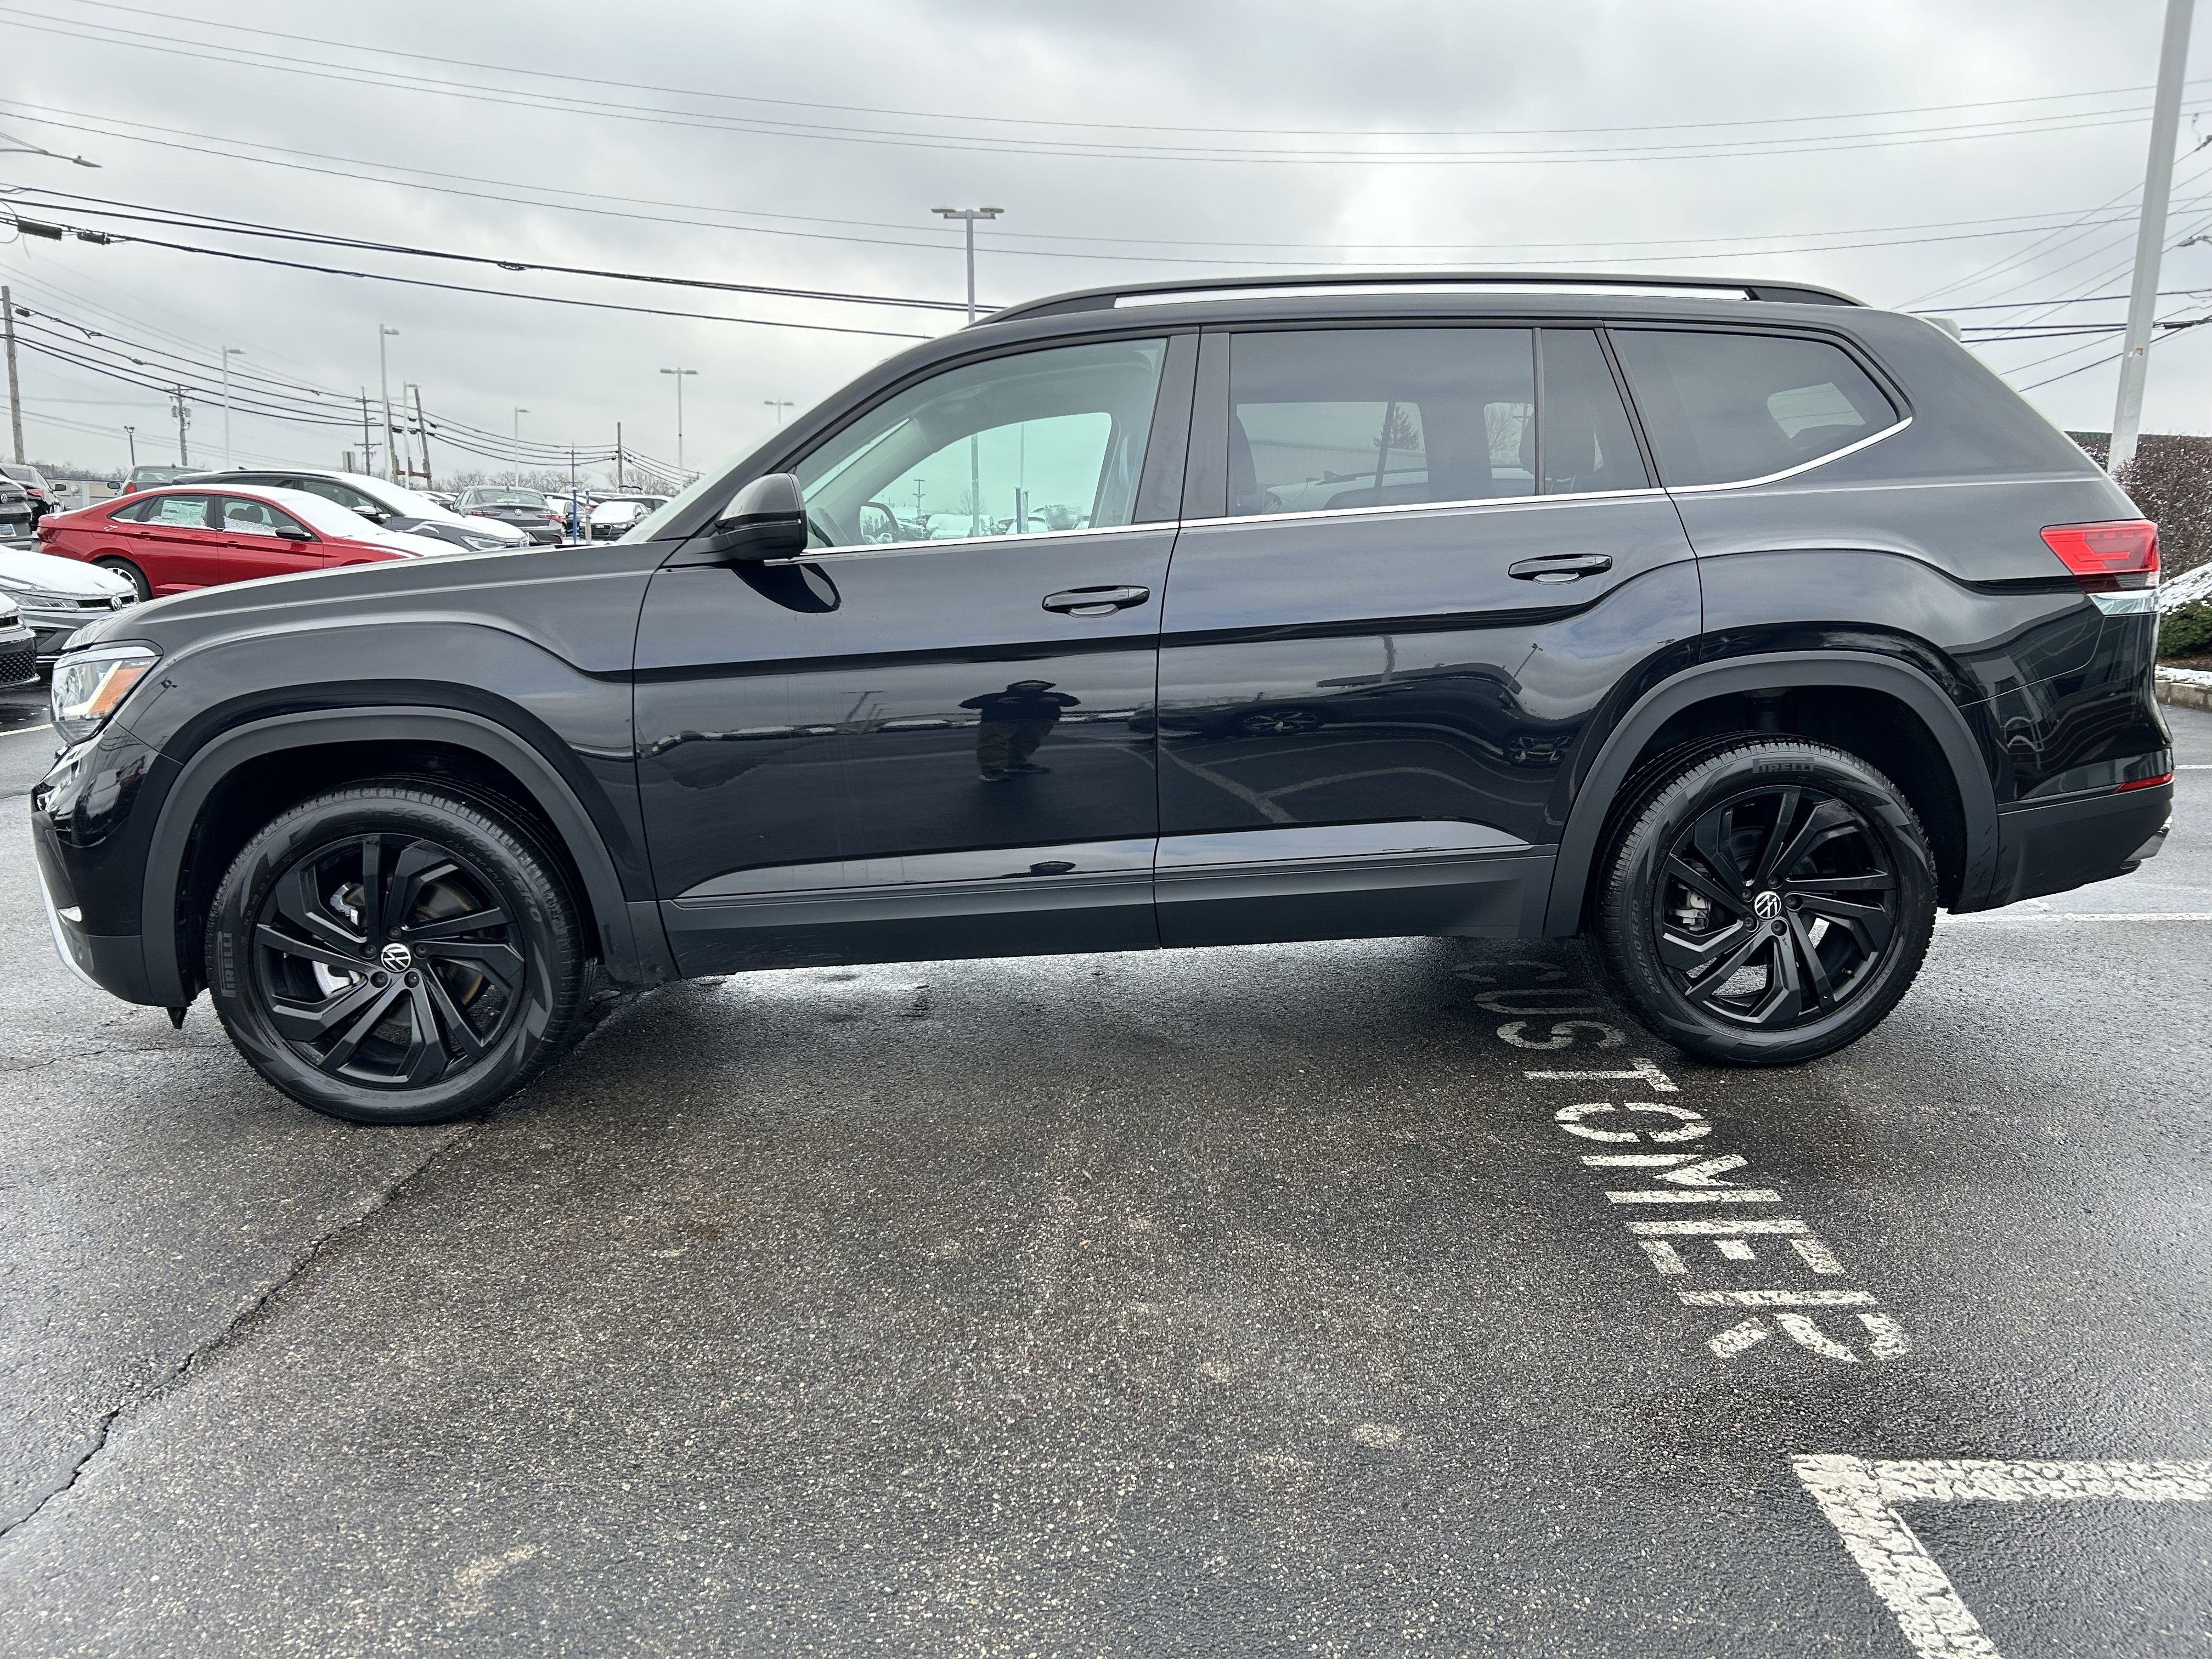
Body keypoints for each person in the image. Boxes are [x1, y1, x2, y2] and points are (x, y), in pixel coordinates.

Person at [959, 680, 1080, 781]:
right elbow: (967, 704)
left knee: (1029, 743)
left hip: (1039, 722)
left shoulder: (1054, 696)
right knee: (994, 744)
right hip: (999, 722)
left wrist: (1057, 701)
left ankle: (1017, 763)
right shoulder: (999, 696)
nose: (1032, 687)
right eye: (1026, 685)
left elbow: (1074, 701)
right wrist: (996, 702)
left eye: (1037, 685)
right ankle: (991, 770)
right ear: (1016, 687)